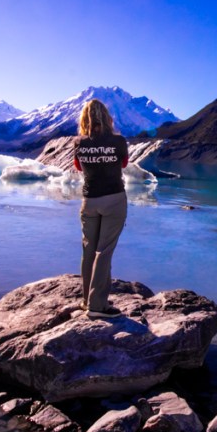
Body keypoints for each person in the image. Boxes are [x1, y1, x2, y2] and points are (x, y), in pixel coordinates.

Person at [71, 99, 130, 319]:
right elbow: (124, 164)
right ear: (107, 117)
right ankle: (98, 306)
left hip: (89, 201)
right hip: (114, 199)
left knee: (89, 250)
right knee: (104, 251)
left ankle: (87, 301)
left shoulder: (79, 142)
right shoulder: (118, 141)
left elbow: (78, 167)